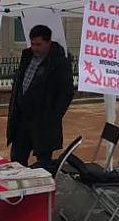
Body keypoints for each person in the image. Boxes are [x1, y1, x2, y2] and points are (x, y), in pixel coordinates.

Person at [6, 25, 74, 168]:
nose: (35, 48)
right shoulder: (27, 57)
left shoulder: (59, 62)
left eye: (39, 44)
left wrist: (52, 116)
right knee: (17, 161)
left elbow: (66, 93)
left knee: (43, 165)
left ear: (48, 42)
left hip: (43, 124)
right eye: (33, 44)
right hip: (21, 121)